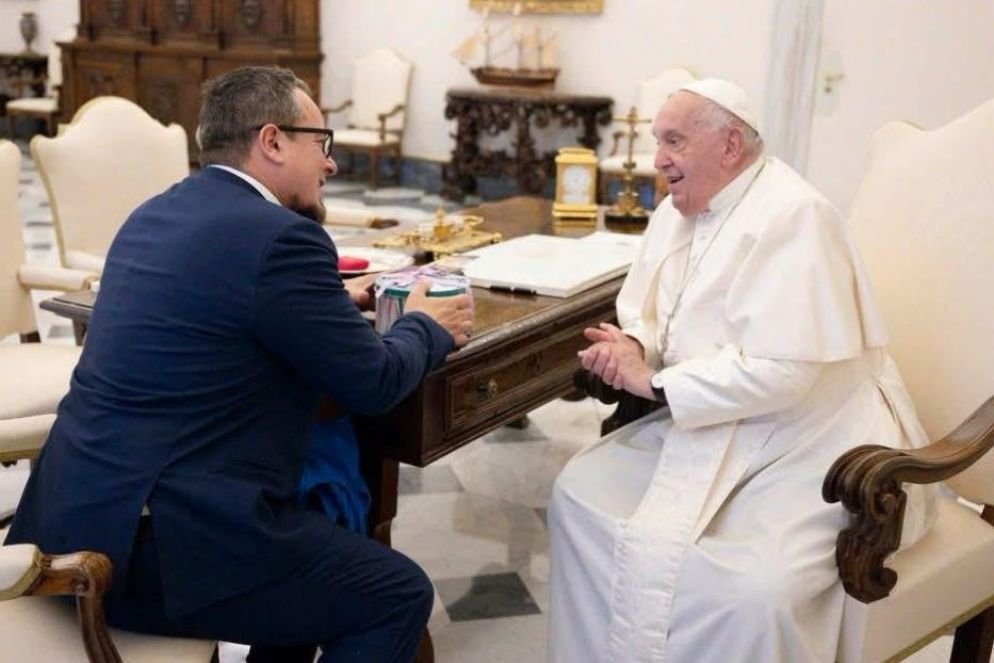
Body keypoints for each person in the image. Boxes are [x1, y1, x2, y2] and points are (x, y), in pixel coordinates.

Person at [5, 66, 473, 662]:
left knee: (314, 574)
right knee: (397, 593)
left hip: (71, 522)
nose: (330, 164)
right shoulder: (283, 238)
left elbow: (223, 298)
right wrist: (425, 326)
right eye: (320, 142)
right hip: (157, 550)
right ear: (272, 141)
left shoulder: (155, 213)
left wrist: (323, 299)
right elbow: (375, 382)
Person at [547, 78, 936, 662]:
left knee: (750, 588)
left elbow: (784, 375)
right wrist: (633, 344)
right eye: (658, 142)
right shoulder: (682, 206)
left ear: (729, 146)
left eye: (673, 141)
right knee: (577, 496)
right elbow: (655, 314)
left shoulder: (795, 216)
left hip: (812, 438)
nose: (658, 160)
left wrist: (650, 382)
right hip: (709, 420)